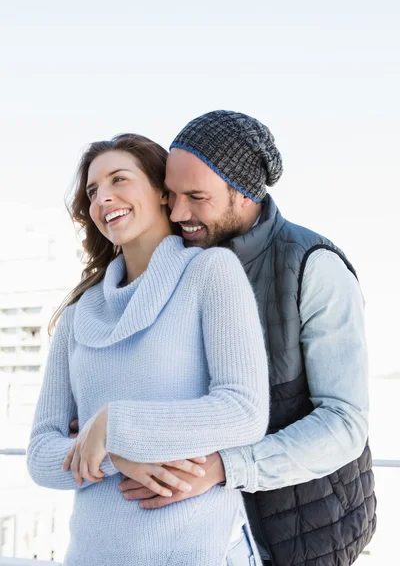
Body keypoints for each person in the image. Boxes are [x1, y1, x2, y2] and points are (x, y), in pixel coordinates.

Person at [116, 111, 376, 566]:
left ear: (245, 193)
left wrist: (225, 467)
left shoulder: (314, 268)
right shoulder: (178, 261)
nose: (178, 214)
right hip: (203, 532)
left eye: (196, 197)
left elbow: (344, 423)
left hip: (301, 536)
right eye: (170, 196)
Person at [27, 133, 270, 566]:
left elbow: (244, 411)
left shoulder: (210, 274)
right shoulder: (79, 315)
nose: (104, 197)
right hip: (91, 556)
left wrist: (114, 423)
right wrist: (116, 454)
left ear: (162, 191)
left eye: (119, 179)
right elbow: (41, 457)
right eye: (93, 190)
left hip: (199, 553)